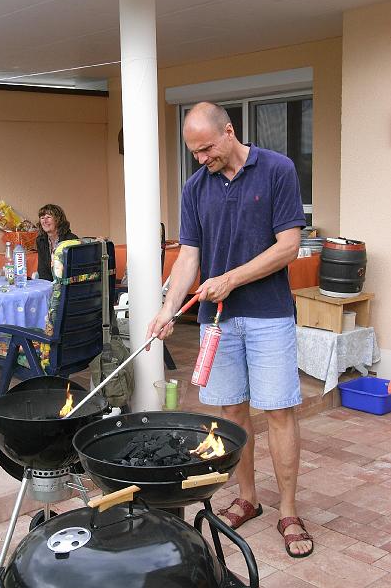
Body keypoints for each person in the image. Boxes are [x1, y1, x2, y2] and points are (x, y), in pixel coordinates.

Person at [147, 102, 313, 558]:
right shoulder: (195, 187)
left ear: (229, 131)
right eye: (194, 153)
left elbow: (289, 247)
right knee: (233, 415)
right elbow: (189, 258)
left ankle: (290, 511)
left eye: (206, 149)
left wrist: (232, 278)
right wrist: (167, 308)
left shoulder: (277, 170)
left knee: (278, 411)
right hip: (217, 323)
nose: (201, 159)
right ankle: (249, 497)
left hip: (269, 314)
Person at [36, 204, 78, 281]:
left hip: (67, 284)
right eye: (42, 218)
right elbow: (42, 269)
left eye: (48, 217)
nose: (45, 221)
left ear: (58, 220)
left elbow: (74, 270)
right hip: (50, 284)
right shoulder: (40, 240)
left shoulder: (71, 239)